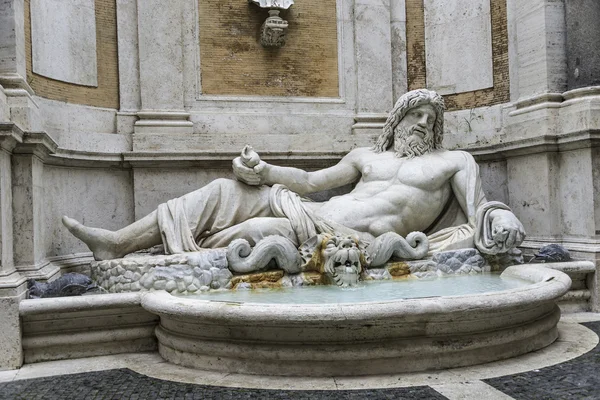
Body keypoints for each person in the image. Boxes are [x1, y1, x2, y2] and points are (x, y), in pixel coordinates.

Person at [63, 89, 525, 261]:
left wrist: (501, 220)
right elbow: (309, 183)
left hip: (351, 238)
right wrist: (264, 170)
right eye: (416, 114)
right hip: (314, 210)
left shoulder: (454, 162)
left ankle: (183, 255)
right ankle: (118, 242)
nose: (423, 123)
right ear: (398, 119)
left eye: (431, 116)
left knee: (255, 230)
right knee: (224, 189)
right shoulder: (367, 156)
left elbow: (480, 208)